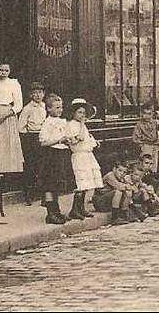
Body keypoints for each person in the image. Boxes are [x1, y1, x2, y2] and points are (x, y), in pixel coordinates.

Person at [36, 94, 75, 225]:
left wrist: (69, 140)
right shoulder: (48, 123)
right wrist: (59, 139)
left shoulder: (62, 121)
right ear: (48, 109)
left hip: (61, 154)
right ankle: (50, 213)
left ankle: (57, 211)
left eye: (61, 107)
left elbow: (66, 135)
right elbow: (42, 141)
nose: (60, 110)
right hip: (51, 155)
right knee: (50, 184)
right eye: (57, 107)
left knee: (57, 184)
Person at [64, 98, 101, 221]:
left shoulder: (82, 125)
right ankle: (74, 210)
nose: (82, 115)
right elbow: (72, 141)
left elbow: (87, 138)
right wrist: (78, 137)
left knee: (86, 183)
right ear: (73, 112)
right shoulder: (71, 125)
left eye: (84, 113)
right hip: (79, 156)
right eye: (79, 112)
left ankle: (81, 208)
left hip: (87, 155)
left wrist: (93, 142)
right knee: (80, 183)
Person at [17, 81, 47, 204]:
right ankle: (28, 195)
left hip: (43, 137)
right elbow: (20, 127)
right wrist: (28, 139)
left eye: (40, 93)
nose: (38, 95)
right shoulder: (27, 109)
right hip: (31, 138)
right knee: (31, 167)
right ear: (30, 95)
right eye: (35, 93)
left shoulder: (45, 106)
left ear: (44, 94)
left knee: (43, 167)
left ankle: (43, 195)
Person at [93, 159, 133, 225]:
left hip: (110, 203)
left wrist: (128, 184)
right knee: (118, 192)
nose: (122, 173)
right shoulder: (110, 176)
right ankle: (115, 218)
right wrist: (127, 185)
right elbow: (120, 186)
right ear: (114, 169)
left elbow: (130, 187)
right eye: (120, 170)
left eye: (124, 172)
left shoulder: (121, 178)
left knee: (128, 192)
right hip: (100, 202)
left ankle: (123, 215)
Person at [132, 104, 159, 172]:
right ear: (141, 114)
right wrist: (142, 145)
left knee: (154, 165)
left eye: (149, 114)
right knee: (145, 165)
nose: (147, 116)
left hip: (154, 146)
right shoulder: (139, 124)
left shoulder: (154, 123)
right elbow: (135, 138)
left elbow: (157, 133)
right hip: (146, 146)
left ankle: (152, 178)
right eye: (145, 113)